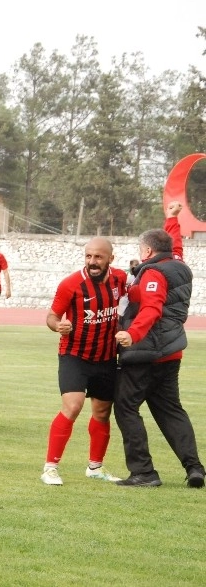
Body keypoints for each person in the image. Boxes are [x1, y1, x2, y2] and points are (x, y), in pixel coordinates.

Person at [113, 201, 204, 488]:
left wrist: (132, 335)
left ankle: (144, 472)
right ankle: (195, 468)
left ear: (149, 252)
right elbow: (175, 245)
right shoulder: (178, 265)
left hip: (147, 352)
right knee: (171, 411)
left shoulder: (153, 274)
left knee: (126, 407)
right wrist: (172, 218)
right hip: (171, 352)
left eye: (141, 251)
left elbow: (151, 309)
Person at [40, 237, 127, 486]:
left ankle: (95, 467)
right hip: (74, 355)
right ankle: (50, 467)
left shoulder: (120, 280)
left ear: (111, 257)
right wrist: (59, 326)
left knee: (102, 412)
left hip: (106, 357)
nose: (92, 262)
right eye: (88, 256)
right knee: (73, 405)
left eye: (98, 257)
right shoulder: (71, 284)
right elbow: (51, 316)